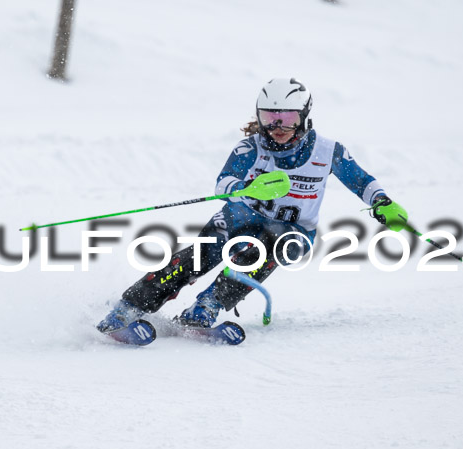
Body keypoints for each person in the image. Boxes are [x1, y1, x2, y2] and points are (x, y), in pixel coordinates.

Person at [97, 77, 407, 332]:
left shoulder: (328, 151)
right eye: (269, 118)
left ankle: (208, 305)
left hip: (294, 230)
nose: (278, 127)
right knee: (200, 255)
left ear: (304, 118)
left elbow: (360, 180)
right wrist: (247, 188)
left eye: (287, 119)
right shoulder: (250, 147)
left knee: (273, 245)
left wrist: (382, 202)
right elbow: (223, 183)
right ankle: (129, 308)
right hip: (241, 216)